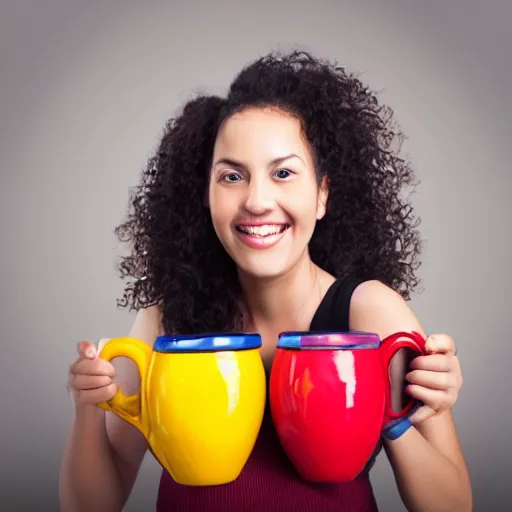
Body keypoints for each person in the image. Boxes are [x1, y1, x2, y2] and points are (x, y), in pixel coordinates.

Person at [59, 50, 472, 511]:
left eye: (283, 173)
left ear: (322, 194)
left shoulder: (371, 314)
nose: (257, 200)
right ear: (205, 194)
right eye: (232, 176)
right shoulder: (165, 319)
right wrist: (86, 408)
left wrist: (390, 418)